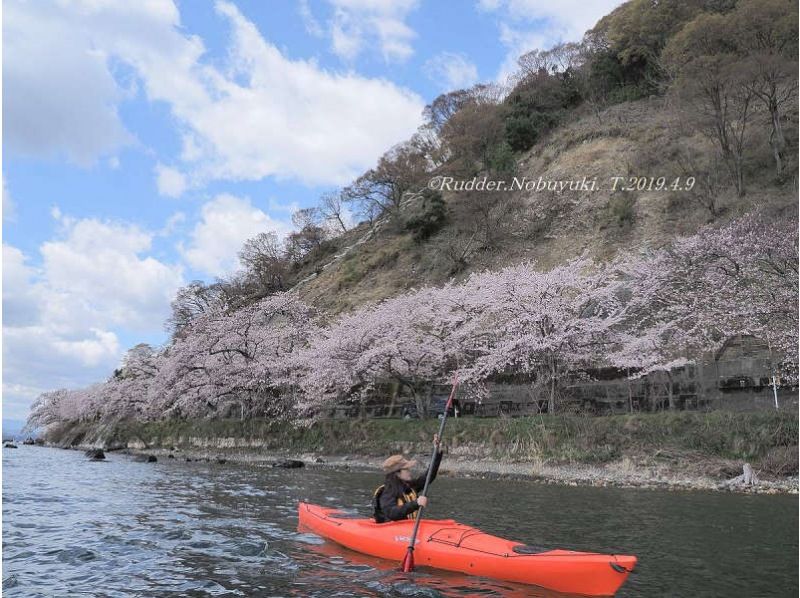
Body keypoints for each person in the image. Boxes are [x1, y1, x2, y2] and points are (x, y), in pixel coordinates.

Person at [372, 434, 443, 523]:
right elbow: (391, 513)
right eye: (406, 469)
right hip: (392, 531)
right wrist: (415, 504)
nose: (409, 471)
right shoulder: (387, 491)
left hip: (407, 529)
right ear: (397, 473)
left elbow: (429, 476)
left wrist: (437, 452)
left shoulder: (409, 486)